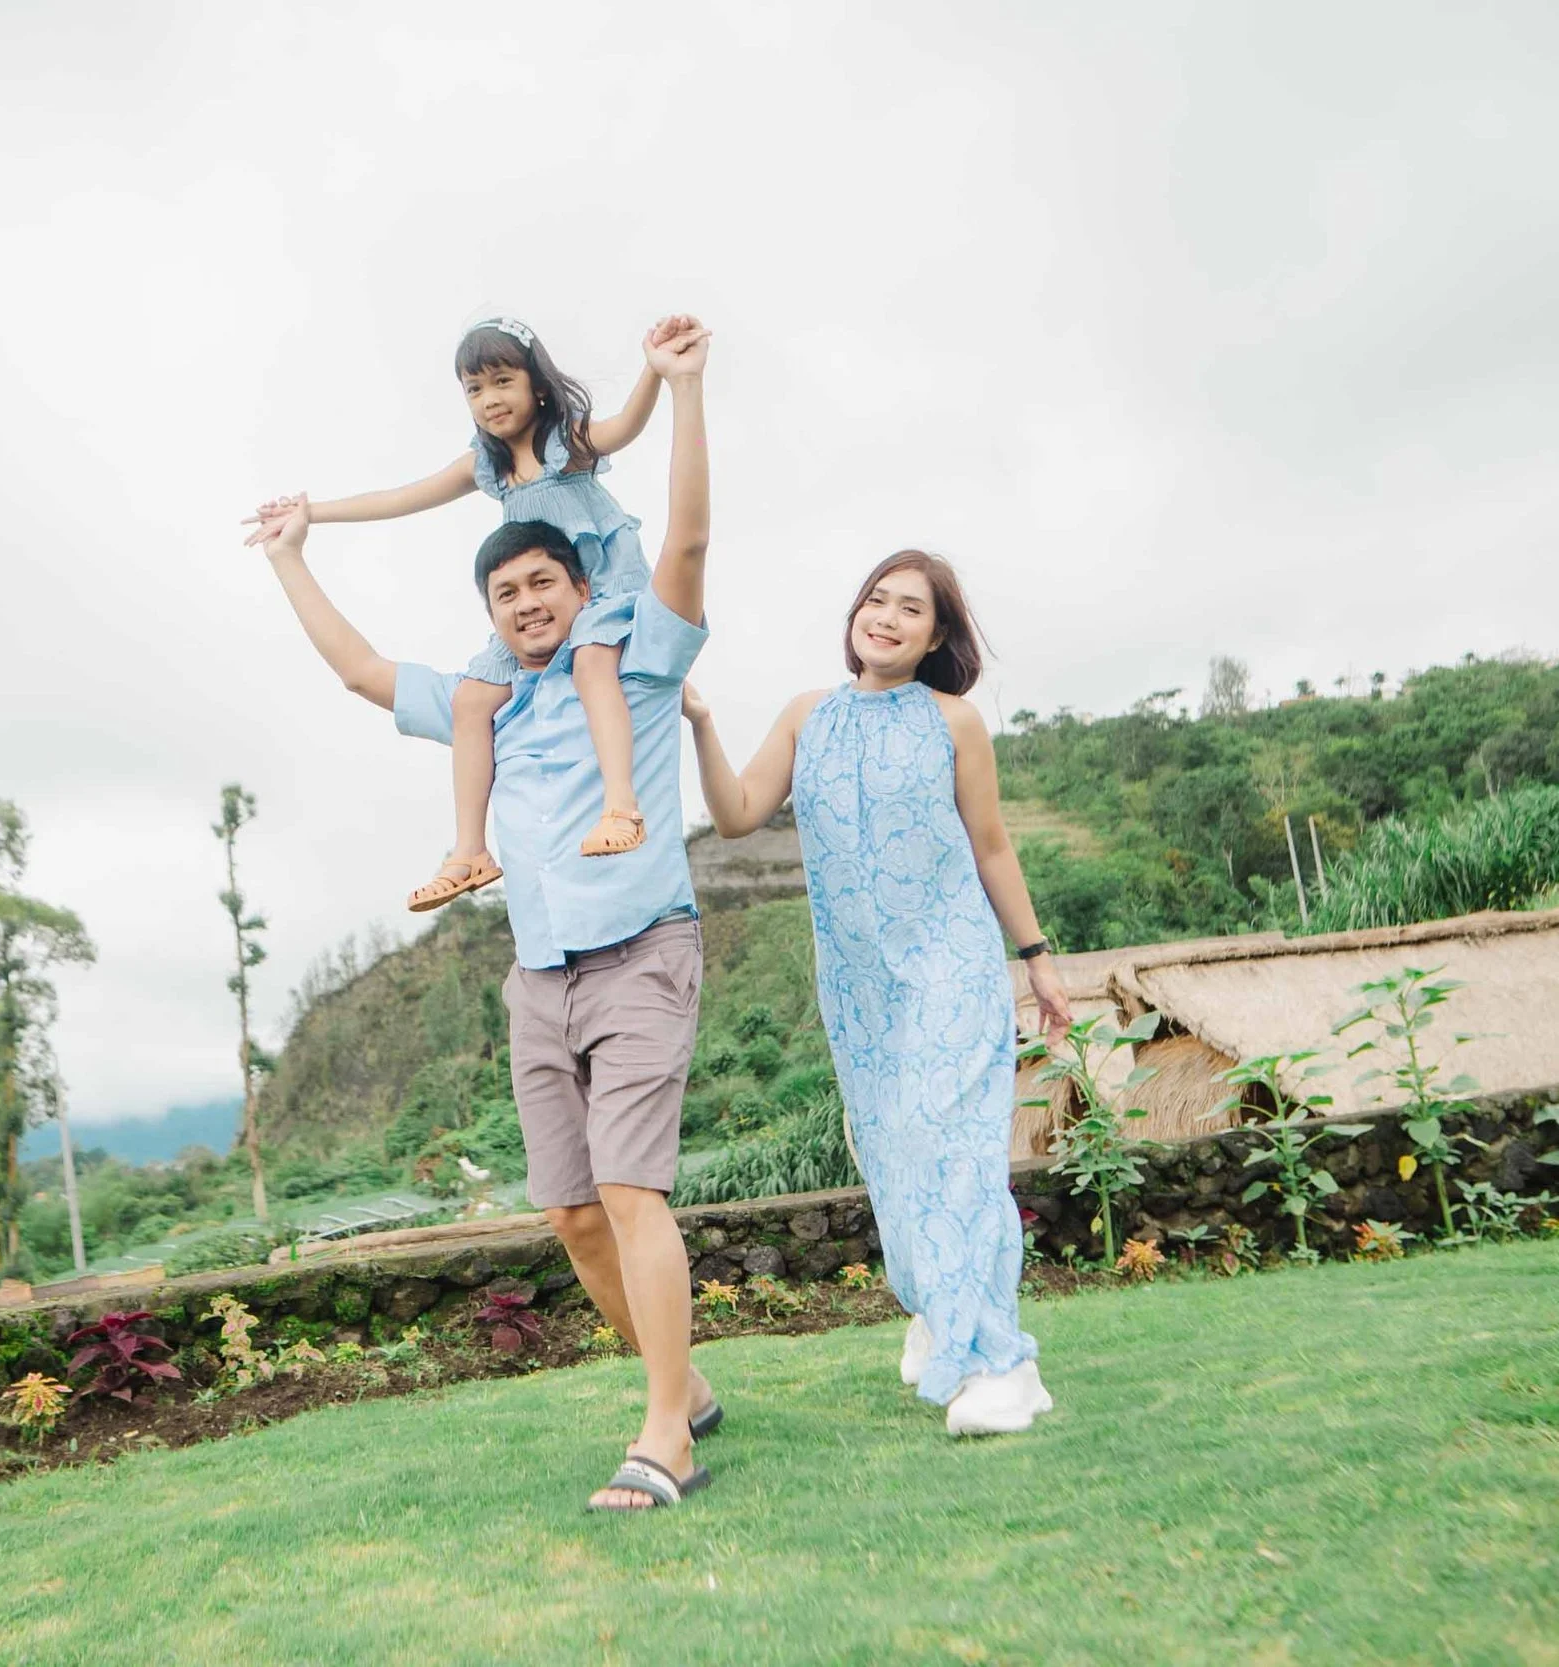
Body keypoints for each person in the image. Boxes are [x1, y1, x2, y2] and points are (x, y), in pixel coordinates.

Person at [249, 320, 721, 1511]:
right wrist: (289, 555)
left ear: (579, 585)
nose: (523, 601)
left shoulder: (640, 658)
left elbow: (689, 536)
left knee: (630, 1192)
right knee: (570, 1213)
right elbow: (361, 671)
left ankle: (666, 1429)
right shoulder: (491, 697)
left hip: (641, 953)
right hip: (539, 975)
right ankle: (689, 1381)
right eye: (503, 589)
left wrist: (684, 391)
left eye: (541, 583)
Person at [680, 551, 1076, 1435]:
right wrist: (702, 724)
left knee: (953, 1147)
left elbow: (993, 848)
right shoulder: (806, 716)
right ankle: (942, 1315)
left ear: (938, 635)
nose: (887, 616)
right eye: (876, 599)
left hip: (951, 962)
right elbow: (739, 813)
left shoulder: (954, 721)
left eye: (911, 608)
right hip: (860, 985)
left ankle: (1002, 1365)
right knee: (897, 1155)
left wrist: (1038, 955)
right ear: (855, 614)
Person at [244, 316, 692, 914]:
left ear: (536, 384)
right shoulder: (488, 467)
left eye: (501, 382)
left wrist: (656, 374)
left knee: (591, 663)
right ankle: (469, 851)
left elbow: (624, 429)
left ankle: (621, 805)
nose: (489, 400)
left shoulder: (565, 444)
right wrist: (312, 513)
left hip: (601, 589)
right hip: (536, 613)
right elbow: (401, 497)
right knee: (474, 700)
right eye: (474, 390)